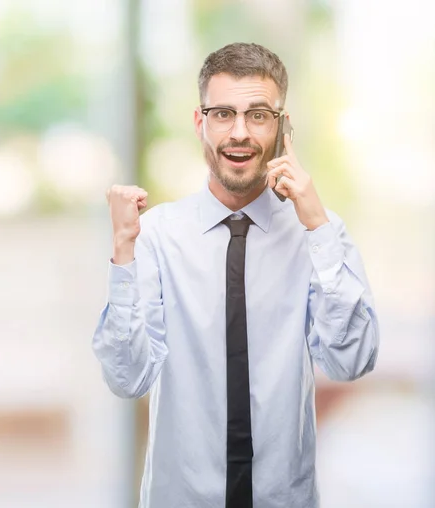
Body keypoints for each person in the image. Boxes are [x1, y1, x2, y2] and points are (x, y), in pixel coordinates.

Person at [92, 42, 379, 508]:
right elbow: (127, 379)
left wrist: (317, 225)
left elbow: (351, 362)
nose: (239, 133)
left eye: (259, 114)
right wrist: (123, 252)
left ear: (284, 127)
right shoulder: (156, 236)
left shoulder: (320, 234)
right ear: (200, 122)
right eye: (223, 113)